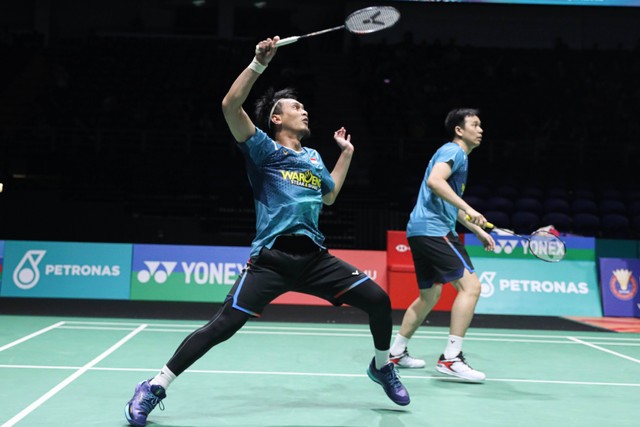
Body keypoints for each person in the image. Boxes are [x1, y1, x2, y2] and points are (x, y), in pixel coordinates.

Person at [124, 36, 410, 427]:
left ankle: (381, 367)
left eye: (304, 106)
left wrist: (345, 155)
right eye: (296, 107)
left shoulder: (312, 157)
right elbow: (229, 106)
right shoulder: (263, 150)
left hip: (314, 259)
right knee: (222, 326)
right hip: (272, 260)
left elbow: (329, 197)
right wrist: (259, 63)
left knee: (378, 300)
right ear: (276, 119)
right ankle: (154, 386)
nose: (304, 111)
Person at [388, 108, 495, 381]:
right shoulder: (454, 152)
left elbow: (447, 201)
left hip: (420, 230)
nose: (480, 129)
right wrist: (471, 209)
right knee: (471, 287)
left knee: (429, 296)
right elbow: (435, 182)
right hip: (435, 231)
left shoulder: (457, 157)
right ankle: (451, 358)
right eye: (475, 124)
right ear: (459, 130)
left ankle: (396, 352)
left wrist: (475, 229)